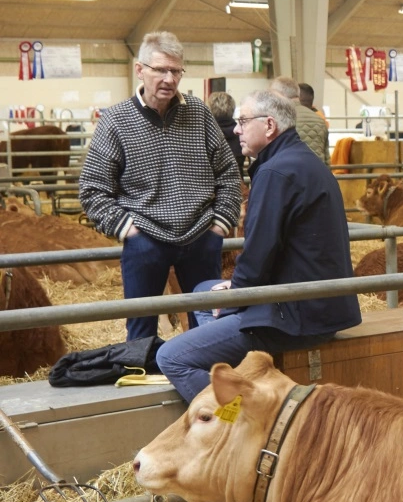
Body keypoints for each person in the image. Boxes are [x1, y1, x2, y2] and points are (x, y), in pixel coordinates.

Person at [155, 89, 361, 402]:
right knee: (202, 290)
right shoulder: (305, 161)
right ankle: (235, 374)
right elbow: (276, 252)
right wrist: (236, 289)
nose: (236, 129)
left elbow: (259, 252)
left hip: (294, 317)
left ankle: (242, 419)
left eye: (243, 121)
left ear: (268, 126)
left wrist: (237, 299)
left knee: (171, 357)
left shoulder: (275, 172)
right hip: (319, 305)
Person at [79, 31, 242, 342]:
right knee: (141, 331)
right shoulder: (116, 121)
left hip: (201, 237)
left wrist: (219, 225)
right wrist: (127, 229)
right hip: (145, 240)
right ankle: (144, 381)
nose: (169, 79)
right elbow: (92, 188)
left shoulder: (199, 113)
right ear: (141, 70)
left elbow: (228, 173)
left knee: (208, 326)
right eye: (160, 70)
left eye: (176, 71)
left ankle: (202, 383)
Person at [270, 76, 329, 164]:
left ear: (280, 94)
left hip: (289, 174)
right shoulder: (319, 120)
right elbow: (326, 158)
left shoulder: (278, 118)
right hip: (317, 174)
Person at [206, 91, 245, 180]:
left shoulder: (205, 134)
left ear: (209, 109)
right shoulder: (241, 133)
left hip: (210, 187)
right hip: (238, 185)